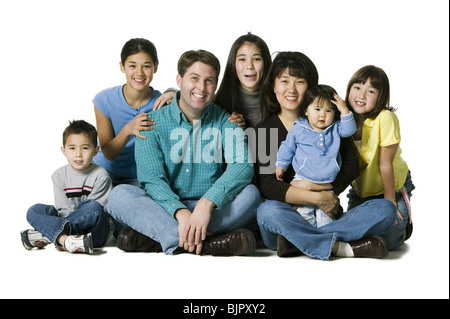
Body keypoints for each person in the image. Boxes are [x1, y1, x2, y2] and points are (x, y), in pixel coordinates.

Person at [106, 50, 261, 256]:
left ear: (215, 85)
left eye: (209, 81)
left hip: (213, 208)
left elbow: (242, 166)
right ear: (179, 80)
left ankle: (159, 238)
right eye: (194, 78)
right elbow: (152, 180)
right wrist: (180, 213)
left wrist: (206, 205)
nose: (201, 87)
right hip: (165, 207)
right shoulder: (151, 122)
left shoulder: (227, 121)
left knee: (251, 195)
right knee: (118, 196)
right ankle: (209, 243)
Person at [255, 52, 397, 260]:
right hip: (287, 216)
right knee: (266, 211)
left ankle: (297, 243)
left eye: (300, 82)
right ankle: (341, 248)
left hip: (326, 215)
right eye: (284, 81)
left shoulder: (331, 122)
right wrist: (317, 197)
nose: (291, 89)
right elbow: (268, 184)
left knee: (386, 209)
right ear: (274, 87)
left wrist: (327, 194)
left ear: (310, 87)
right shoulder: (263, 131)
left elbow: (351, 166)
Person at [344, 65, 414, 249]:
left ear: (381, 96)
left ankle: (403, 220)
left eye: (371, 91)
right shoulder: (343, 121)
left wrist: (390, 203)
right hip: (362, 192)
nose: (362, 95)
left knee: (389, 242)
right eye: (357, 87)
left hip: (391, 189)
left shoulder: (385, 118)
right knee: (349, 232)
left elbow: (385, 164)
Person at [93, 38, 175, 187]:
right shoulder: (104, 99)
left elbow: (193, 101)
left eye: (146, 66)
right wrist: (127, 130)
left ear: (155, 67)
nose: (139, 73)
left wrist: (175, 93)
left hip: (140, 177)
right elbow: (108, 154)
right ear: (122, 66)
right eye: (132, 65)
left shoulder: (161, 102)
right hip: (104, 172)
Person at [21, 120, 112, 254]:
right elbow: (62, 209)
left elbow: (96, 214)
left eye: (85, 148)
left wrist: (54, 227)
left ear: (96, 150)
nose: (78, 154)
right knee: (34, 210)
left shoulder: (101, 176)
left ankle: (49, 235)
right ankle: (66, 240)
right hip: (68, 224)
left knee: (93, 206)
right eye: (72, 148)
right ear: (64, 151)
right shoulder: (58, 176)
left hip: (94, 233)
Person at [275, 84, 356, 227]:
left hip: (328, 181)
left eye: (328, 110)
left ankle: (324, 240)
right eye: (317, 109)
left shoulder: (336, 128)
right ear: (306, 110)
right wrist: (281, 165)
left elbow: (349, 130)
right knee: (304, 215)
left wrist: (344, 109)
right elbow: (287, 147)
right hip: (302, 179)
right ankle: (307, 240)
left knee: (326, 218)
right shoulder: (299, 128)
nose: (322, 115)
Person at [214, 32, 272, 128]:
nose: (249, 66)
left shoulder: (281, 102)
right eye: (242, 59)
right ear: (233, 64)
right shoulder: (216, 105)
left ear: (265, 63)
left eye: (257, 59)